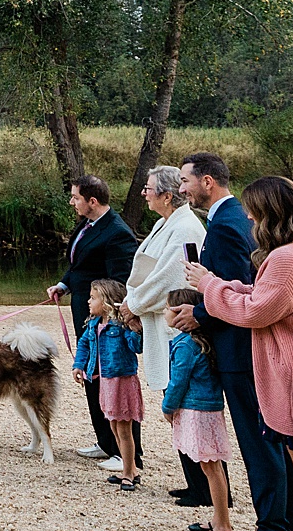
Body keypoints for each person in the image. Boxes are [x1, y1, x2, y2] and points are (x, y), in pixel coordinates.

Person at [186, 172, 293, 531]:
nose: (249, 221)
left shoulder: (287, 257)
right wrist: (226, 285)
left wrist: (210, 287)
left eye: (254, 213)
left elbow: (256, 312)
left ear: (270, 214)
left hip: (290, 370)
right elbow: (267, 295)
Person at [124, 164, 211, 505]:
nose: (143, 194)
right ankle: (194, 481)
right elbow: (145, 268)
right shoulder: (164, 224)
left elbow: (170, 278)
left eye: (148, 188)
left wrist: (134, 303)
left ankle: (204, 487)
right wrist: (133, 299)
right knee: (176, 406)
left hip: (177, 322)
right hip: (158, 320)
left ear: (166, 194)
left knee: (185, 402)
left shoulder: (187, 227)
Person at [43, 172, 137, 467]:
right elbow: (79, 264)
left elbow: (119, 282)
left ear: (92, 201)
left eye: (76, 198)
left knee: (111, 379)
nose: (72, 202)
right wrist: (63, 284)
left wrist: (105, 317)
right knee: (90, 376)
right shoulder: (87, 224)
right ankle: (105, 441)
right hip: (85, 311)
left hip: (105, 322)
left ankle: (127, 455)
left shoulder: (117, 232)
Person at [163, 288, 235, 531]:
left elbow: (178, 381)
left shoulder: (185, 345)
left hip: (197, 410)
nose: (164, 312)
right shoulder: (201, 341)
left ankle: (224, 524)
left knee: (211, 466)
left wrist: (167, 407)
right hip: (208, 408)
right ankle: (218, 517)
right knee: (211, 466)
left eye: (168, 308)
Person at [77, 279, 144, 487]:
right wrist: (79, 365)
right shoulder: (94, 324)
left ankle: (128, 473)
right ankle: (130, 468)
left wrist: (135, 329)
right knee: (114, 426)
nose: (88, 301)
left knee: (124, 430)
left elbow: (137, 346)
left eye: (93, 298)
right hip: (105, 381)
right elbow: (84, 344)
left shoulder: (120, 325)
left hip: (121, 381)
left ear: (106, 301)